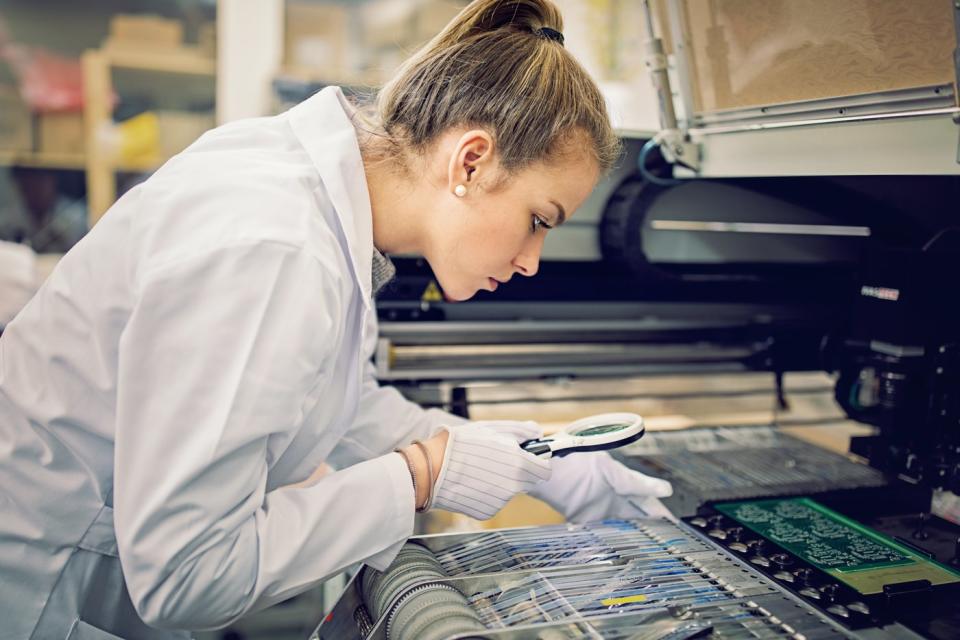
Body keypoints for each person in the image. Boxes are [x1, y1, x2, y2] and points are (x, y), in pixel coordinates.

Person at [0, 1, 671, 637]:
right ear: (470, 159)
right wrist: (418, 478)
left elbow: (333, 406)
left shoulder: (320, 200)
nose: (531, 261)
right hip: (37, 590)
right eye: (538, 221)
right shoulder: (276, 245)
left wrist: (540, 461)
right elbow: (187, 574)